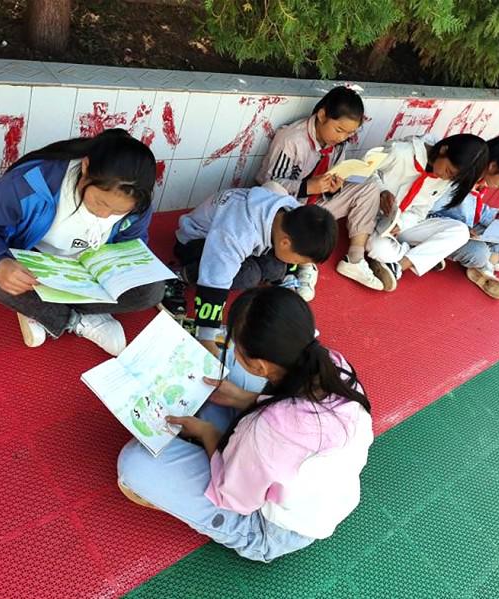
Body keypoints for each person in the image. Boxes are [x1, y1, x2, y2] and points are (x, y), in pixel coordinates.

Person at [117, 286, 374, 562]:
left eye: (238, 345)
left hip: (267, 528)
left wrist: (206, 433)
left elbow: (233, 496)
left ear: (261, 367)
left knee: (134, 464)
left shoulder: (269, 429)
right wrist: (242, 398)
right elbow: (295, 414)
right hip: (306, 488)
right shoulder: (334, 364)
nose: (234, 347)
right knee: (221, 363)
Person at [0, 129, 162, 355]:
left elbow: (130, 246)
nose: (104, 214)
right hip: (33, 266)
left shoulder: (137, 206)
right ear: (85, 167)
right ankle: (73, 320)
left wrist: (122, 273)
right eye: (100, 202)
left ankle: (41, 311)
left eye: (118, 211)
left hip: (86, 271)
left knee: (152, 290)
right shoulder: (32, 182)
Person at [173, 182, 336, 355]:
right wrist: (206, 338)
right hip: (195, 243)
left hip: (233, 240)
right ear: (285, 242)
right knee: (249, 275)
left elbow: (273, 187)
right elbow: (215, 280)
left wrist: (288, 287)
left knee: (275, 268)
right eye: (298, 260)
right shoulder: (238, 233)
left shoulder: (290, 212)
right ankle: (183, 275)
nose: (297, 264)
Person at [256, 86, 385, 296]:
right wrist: (308, 187)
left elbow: (335, 172)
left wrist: (334, 187)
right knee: (276, 190)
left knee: (369, 186)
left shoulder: (338, 144)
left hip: (315, 203)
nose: (343, 137)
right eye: (339, 130)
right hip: (286, 207)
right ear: (322, 115)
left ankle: (355, 259)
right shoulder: (292, 139)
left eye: (350, 133)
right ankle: (302, 263)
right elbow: (269, 183)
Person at [366, 133, 490, 290]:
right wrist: (381, 191)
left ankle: (399, 265)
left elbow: (420, 211)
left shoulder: (443, 179)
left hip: (399, 226)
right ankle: (420, 255)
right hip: (370, 215)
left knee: (461, 232)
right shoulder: (401, 152)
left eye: (452, 178)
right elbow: (365, 169)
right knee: (377, 248)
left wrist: (401, 224)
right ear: (443, 150)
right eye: (449, 171)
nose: (445, 178)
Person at [434, 134, 499, 299]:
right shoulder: (458, 174)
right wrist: (462, 229)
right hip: (444, 228)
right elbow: (429, 211)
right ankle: (487, 265)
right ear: (492, 166)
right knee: (478, 252)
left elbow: (475, 209)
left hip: (465, 225)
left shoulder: (480, 181)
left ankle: (487, 265)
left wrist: (496, 215)